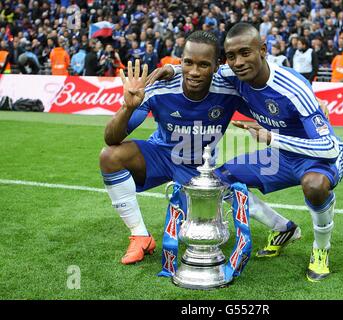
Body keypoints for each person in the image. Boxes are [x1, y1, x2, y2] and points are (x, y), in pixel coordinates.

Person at [154, 23, 343, 282]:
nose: (238, 62)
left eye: (245, 53)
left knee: (314, 185)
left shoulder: (293, 86)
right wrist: (172, 68)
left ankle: (321, 250)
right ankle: (284, 229)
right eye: (231, 56)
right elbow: (203, 67)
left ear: (263, 50)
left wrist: (272, 137)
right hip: (281, 155)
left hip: (318, 158)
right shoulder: (232, 75)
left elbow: (329, 147)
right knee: (219, 180)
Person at [99, 31, 297, 265]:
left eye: (203, 65)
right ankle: (140, 235)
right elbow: (111, 137)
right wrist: (127, 107)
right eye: (188, 63)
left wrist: (311, 102)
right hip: (160, 154)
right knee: (110, 156)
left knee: (224, 199)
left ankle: (284, 227)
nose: (194, 71)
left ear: (217, 66)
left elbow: (268, 96)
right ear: (180, 61)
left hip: (198, 166)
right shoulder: (160, 87)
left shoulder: (229, 88)